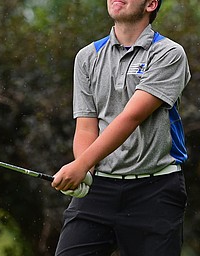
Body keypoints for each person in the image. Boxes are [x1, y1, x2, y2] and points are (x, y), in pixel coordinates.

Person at [52, 0, 191, 255]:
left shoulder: (168, 54)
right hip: (99, 189)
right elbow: (85, 127)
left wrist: (80, 165)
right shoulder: (88, 57)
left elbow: (132, 117)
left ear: (151, 4)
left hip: (155, 191)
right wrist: (86, 171)